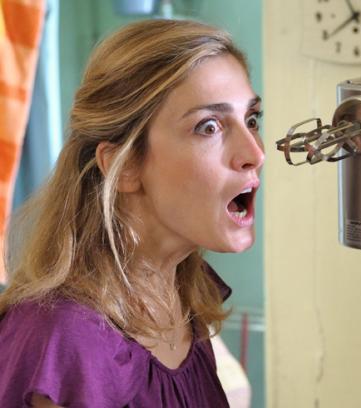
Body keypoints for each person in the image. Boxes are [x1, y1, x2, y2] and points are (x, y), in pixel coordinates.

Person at [0, 19, 264, 407]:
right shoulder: (64, 337)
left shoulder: (181, 297)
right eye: (208, 127)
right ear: (124, 166)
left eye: (252, 120)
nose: (255, 153)